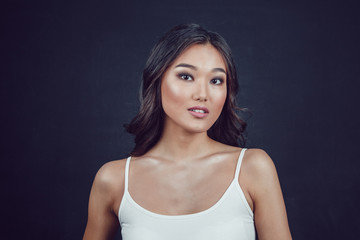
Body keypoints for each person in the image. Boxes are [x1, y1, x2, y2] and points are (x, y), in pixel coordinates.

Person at [83, 23, 292, 240]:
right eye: (186, 76)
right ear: (157, 80)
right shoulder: (113, 180)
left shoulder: (253, 168)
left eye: (216, 80)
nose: (203, 94)